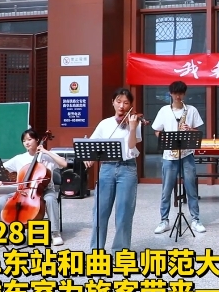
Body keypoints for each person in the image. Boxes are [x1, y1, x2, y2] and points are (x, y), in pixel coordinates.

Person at [85, 88, 143, 251]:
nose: (121, 106)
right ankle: (96, 250)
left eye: (126, 103)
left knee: (124, 212)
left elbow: (131, 145)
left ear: (130, 105)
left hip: (127, 168)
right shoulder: (105, 124)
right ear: (113, 102)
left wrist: (132, 128)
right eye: (118, 101)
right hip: (107, 168)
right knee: (100, 211)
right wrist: (90, 157)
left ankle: (120, 251)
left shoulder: (134, 122)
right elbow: (92, 143)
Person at [0, 129, 67, 246]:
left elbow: (64, 164)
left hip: (45, 190)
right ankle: (2, 233)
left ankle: (55, 233)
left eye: (29, 139)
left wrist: (46, 151)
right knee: (2, 200)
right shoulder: (19, 158)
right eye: (24, 141)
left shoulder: (47, 156)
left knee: (50, 199)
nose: (26, 143)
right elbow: (2, 168)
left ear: (37, 140)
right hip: (23, 192)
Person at [151, 80, 205, 235]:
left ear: (184, 94)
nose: (178, 96)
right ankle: (164, 220)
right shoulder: (164, 110)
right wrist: (165, 137)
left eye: (181, 93)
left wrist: (190, 130)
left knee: (191, 188)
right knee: (166, 190)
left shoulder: (191, 110)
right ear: (170, 94)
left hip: (187, 154)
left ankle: (195, 220)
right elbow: (156, 130)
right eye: (175, 93)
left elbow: (198, 133)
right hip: (169, 155)